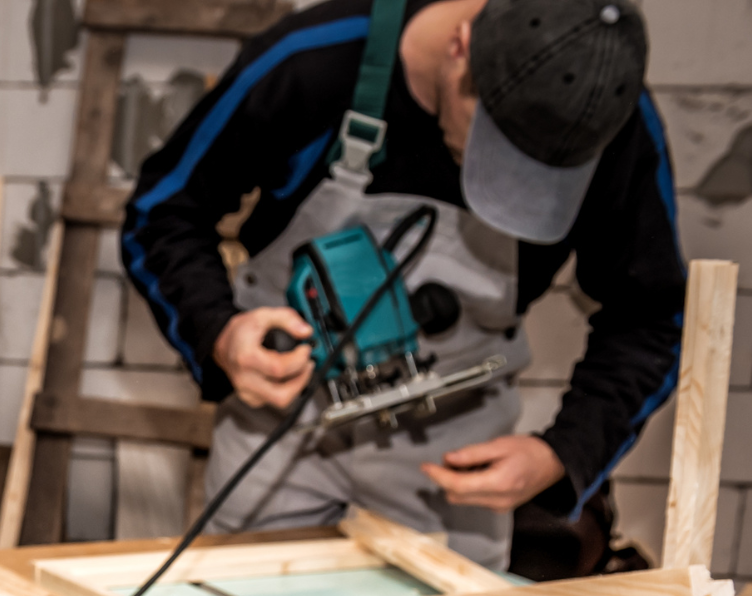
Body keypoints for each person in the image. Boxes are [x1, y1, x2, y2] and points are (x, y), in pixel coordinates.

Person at [121, 0, 685, 567]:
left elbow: (650, 314)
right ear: (460, 49)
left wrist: (562, 454)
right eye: (497, 149)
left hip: (453, 448)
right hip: (279, 426)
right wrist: (220, 333)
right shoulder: (314, 61)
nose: (503, 181)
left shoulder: (609, 112)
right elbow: (162, 213)